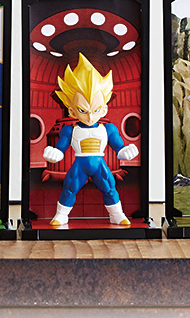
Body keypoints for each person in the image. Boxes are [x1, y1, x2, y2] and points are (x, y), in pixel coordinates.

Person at [42, 53, 138, 226]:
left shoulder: (108, 128)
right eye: (82, 110)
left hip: (100, 164)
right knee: (69, 189)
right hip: (80, 165)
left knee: (109, 189)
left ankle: (117, 215)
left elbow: (119, 146)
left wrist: (126, 151)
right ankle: (61, 215)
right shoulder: (70, 130)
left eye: (96, 110)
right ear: (72, 111)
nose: (90, 116)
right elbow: (61, 148)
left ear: (104, 109)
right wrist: (54, 153)